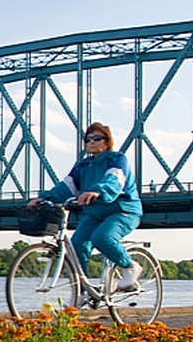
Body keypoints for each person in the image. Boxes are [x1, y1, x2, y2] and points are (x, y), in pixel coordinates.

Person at [27, 122, 144, 291]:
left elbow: (114, 179)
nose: (91, 142)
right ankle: (82, 292)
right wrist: (44, 198)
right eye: (88, 139)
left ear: (107, 141)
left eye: (97, 138)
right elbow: (67, 187)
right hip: (95, 213)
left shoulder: (117, 159)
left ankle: (131, 267)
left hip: (122, 210)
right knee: (76, 246)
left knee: (102, 237)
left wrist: (97, 191)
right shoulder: (83, 165)